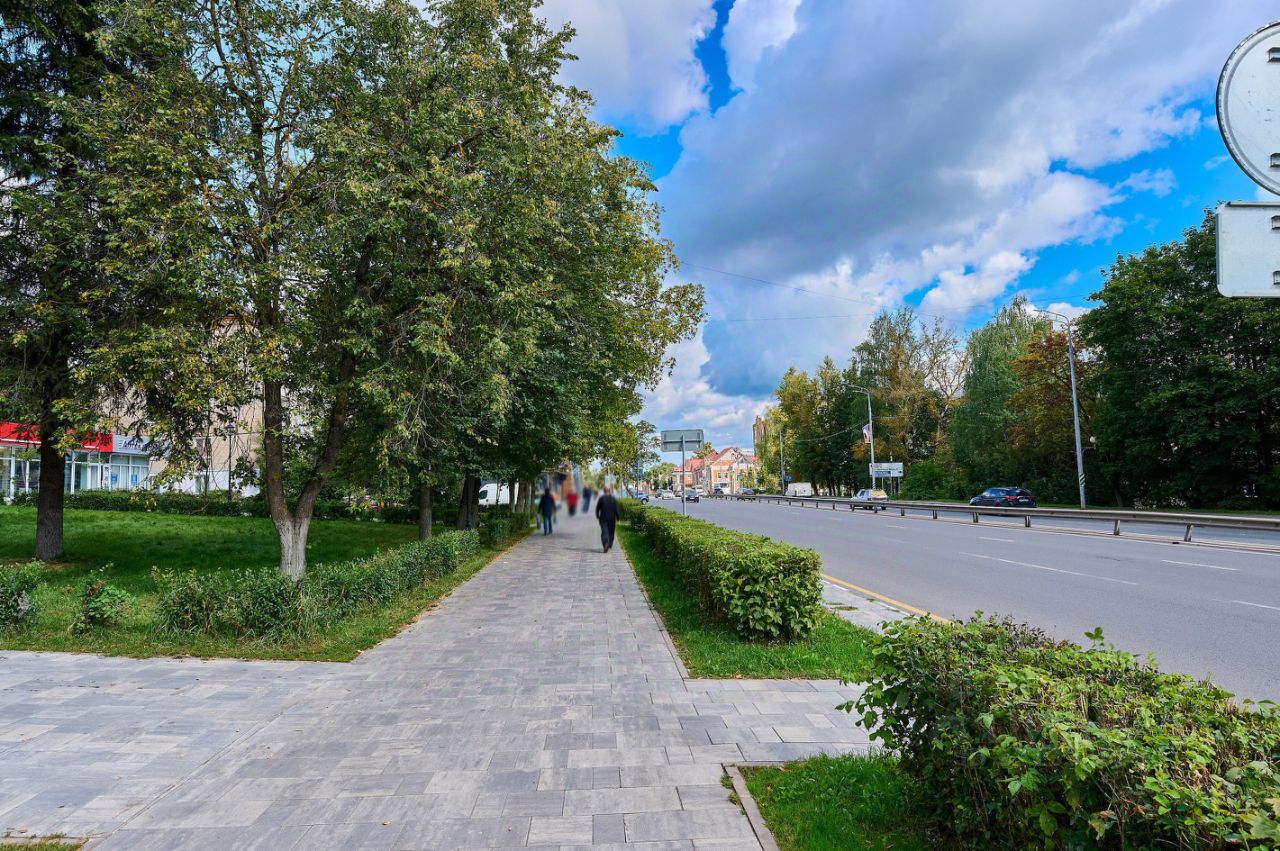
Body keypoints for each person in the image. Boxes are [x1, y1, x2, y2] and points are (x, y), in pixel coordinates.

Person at [595, 484, 620, 553]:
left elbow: (597, 508)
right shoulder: (613, 499)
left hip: (603, 518)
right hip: (612, 519)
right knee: (611, 532)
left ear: (604, 491)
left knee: (604, 532)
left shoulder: (601, 499)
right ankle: (609, 544)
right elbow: (616, 510)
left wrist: (597, 515)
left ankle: (605, 543)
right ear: (610, 491)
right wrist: (618, 518)